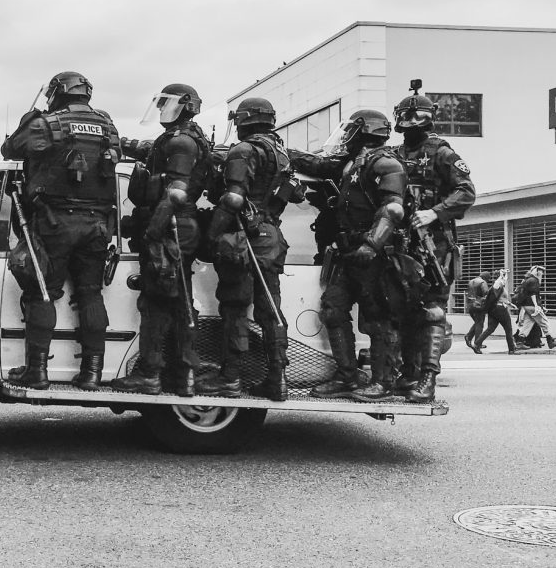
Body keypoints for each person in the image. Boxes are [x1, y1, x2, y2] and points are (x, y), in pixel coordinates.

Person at [1, 70, 122, 390]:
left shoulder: (48, 124)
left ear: (58, 91)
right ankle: (92, 373)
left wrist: (29, 118)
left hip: (55, 223)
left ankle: (37, 372)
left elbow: (11, 149)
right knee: (90, 293)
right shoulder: (108, 127)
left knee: (43, 292)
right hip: (98, 226)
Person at [290, 109, 407, 401]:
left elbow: (393, 209)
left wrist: (372, 244)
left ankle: (383, 381)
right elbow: (318, 165)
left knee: (379, 317)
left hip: (372, 253)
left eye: (350, 130)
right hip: (347, 250)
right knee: (332, 308)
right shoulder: (354, 163)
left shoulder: (385, 163)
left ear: (362, 130)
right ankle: (347, 375)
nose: (345, 136)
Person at [111, 83, 214, 396]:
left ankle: (150, 373)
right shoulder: (179, 138)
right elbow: (149, 150)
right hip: (176, 226)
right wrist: (117, 141)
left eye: (165, 105)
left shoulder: (182, 141)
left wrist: (152, 231)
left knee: (156, 301)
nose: (160, 110)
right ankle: (185, 373)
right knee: (177, 299)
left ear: (183, 105)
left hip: (171, 226)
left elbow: (177, 192)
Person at [205, 96, 302, 400]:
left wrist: (211, 234)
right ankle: (278, 378)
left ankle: (231, 377)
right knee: (270, 310)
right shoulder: (282, 153)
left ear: (243, 121)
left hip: (244, 238)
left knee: (235, 308)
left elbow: (234, 199)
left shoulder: (245, 150)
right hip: (272, 235)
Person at [392, 83, 477, 402]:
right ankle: (408, 373)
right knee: (403, 311)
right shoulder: (395, 154)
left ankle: (427, 379)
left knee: (432, 312)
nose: (411, 122)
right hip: (402, 243)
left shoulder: (442, 152)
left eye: (416, 116)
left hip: (435, 245)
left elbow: (466, 191)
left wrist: (434, 213)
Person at [513, 265, 556, 350]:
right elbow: (533, 294)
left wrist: (541, 306)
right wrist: (537, 306)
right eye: (541, 272)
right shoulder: (534, 280)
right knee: (544, 322)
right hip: (532, 306)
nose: (542, 274)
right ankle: (551, 341)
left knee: (527, 324)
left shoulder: (527, 280)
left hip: (526, 306)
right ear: (537, 272)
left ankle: (520, 342)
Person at [474, 268, 517, 354]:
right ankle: (511, 349)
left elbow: (501, 297)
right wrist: (502, 274)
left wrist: (510, 304)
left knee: (490, 329)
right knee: (508, 329)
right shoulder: (498, 284)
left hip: (493, 309)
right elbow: (501, 282)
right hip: (500, 309)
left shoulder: (498, 285)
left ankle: (477, 344)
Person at [464, 270, 492, 352]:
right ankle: (477, 343)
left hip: (469, 305)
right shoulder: (483, 282)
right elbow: (486, 293)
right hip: (478, 305)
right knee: (480, 324)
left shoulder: (471, 281)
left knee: (477, 322)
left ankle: (468, 337)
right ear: (486, 278)